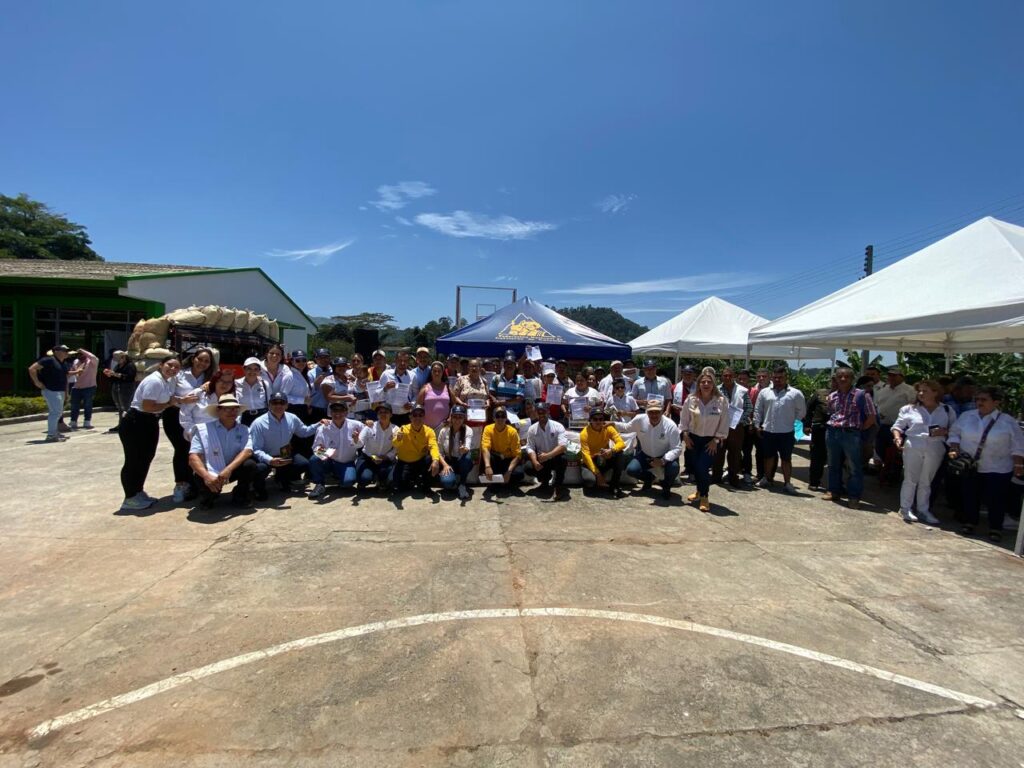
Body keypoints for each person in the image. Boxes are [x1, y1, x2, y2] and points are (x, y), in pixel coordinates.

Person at [118, 357, 196, 511]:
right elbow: (147, 406)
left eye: (176, 367)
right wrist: (169, 404)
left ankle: (138, 492)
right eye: (169, 365)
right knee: (134, 460)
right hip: (137, 421)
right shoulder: (154, 381)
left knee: (145, 458)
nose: (173, 369)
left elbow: (170, 399)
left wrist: (182, 400)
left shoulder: (167, 381)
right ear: (161, 365)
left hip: (150, 421)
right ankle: (130, 497)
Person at [948, 386, 1024, 542]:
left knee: (996, 498)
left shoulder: (1008, 421)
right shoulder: (967, 416)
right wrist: (954, 448)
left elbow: (1018, 444)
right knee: (970, 495)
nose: (979, 402)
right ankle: (970, 522)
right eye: (977, 399)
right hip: (970, 465)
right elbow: (954, 432)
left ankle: (995, 527)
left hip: (998, 466)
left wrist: (1018, 465)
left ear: (996, 402)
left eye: (984, 399)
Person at [891, 380, 955, 525]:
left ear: (935, 392)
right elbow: (897, 426)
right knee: (910, 478)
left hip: (935, 446)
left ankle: (923, 509)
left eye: (925, 391)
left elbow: (955, 430)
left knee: (926, 480)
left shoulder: (946, 410)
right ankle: (905, 508)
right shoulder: (909, 409)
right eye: (919, 390)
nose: (920, 393)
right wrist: (897, 437)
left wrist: (944, 432)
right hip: (914, 444)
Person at [188, 394, 268, 509]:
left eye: (235, 408)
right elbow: (193, 457)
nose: (232, 412)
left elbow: (247, 451)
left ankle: (240, 495)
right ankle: (209, 496)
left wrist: (228, 470)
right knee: (203, 482)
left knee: (250, 465)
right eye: (227, 408)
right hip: (210, 471)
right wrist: (207, 476)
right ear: (218, 410)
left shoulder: (244, 429)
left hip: (232, 469)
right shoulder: (203, 429)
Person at [824, 367, 877, 509]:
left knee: (854, 466)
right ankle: (834, 491)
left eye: (846, 376)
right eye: (840, 376)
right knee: (833, 464)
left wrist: (858, 429)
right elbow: (831, 413)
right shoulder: (833, 396)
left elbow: (871, 417)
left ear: (852, 379)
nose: (843, 379)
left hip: (851, 433)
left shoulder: (862, 395)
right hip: (833, 432)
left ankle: (854, 497)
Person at [168, 348, 216, 503]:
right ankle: (181, 484)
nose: (202, 363)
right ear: (193, 358)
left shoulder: (209, 379)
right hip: (175, 416)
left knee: (196, 451)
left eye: (206, 361)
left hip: (197, 419)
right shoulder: (179, 375)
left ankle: (195, 484)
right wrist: (182, 400)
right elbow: (167, 396)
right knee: (182, 449)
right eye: (200, 359)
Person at [249, 391, 320, 494]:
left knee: (303, 464)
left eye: (282, 403)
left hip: (284, 453)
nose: (278, 406)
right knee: (261, 469)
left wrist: (319, 424)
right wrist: (270, 460)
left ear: (287, 405)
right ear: (269, 405)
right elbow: (256, 449)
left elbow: (304, 432)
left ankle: (281, 478)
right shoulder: (258, 423)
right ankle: (257, 486)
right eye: (275, 403)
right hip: (266, 455)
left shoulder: (292, 418)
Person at [679, 372, 730, 512]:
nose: (706, 384)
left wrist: (716, 440)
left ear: (713, 384)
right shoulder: (691, 399)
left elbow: (724, 423)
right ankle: (699, 491)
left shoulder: (721, 401)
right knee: (696, 468)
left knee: (703, 467)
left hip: (711, 441)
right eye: (703, 382)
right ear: (699, 384)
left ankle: (704, 496)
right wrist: (685, 435)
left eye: (709, 382)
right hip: (693, 439)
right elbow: (684, 419)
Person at [753, 366, 807, 494]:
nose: (777, 380)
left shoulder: (795, 393)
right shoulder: (765, 392)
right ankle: (767, 478)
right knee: (768, 457)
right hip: (768, 430)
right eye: (775, 377)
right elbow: (758, 410)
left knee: (786, 459)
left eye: (780, 377)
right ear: (772, 378)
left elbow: (801, 411)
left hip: (787, 432)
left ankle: (787, 483)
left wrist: (793, 424)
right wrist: (757, 425)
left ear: (786, 377)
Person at [621, 401, 682, 500]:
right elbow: (626, 427)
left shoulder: (670, 425)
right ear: (646, 412)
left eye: (657, 412)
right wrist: (612, 424)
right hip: (646, 454)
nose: (654, 415)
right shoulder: (639, 419)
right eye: (651, 412)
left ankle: (666, 486)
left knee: (673, 468)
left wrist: (663, 460)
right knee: (631, 470)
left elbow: (677, 448)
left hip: (664, 455)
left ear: (662, 411)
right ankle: (649, 478)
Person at [308, 402, 363, 499]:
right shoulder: (323, 427)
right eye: (334, 410)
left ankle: (334, 477)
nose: (337, 413)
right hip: (330, 460)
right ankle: (319, 484)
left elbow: (369, 435)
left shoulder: (356, 425)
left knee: (348, 482)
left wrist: (369, 423)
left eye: (341, 410)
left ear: (346, 412)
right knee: (314, 459)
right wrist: (325, 453)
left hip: (347, 463)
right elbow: (315, 447)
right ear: (330, 413)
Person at [873, 368, 917, 483]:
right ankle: (887, 468)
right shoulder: (883, 390)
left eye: (894, 375)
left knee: (896, 452)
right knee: (879, 448)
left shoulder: (909, 390)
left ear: (901, 377)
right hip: (883, 425)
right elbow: (878, 404)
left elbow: (914, 407)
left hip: (901, 428)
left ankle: (894, 474)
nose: (891, 378)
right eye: (890, 375)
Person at [712, 367, 752, 488]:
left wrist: (740, 421)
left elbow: (749, 408)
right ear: (721, 377)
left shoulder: (742, 390)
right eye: (725, 375)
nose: (727, 378)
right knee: (718, 452)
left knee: (735, 454)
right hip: (719, 426)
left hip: (737, 428)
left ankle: (733, 478)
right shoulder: (716, 390)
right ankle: (716, 477)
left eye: (730, 375)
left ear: (734, 377)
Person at [391, 402, 441, 492]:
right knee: (398, 485)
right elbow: (395, 444)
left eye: (420, 415)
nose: (418, 418)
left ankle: (426, 486)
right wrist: (398, 439)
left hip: (419, 461)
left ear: (424, 417)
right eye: (415, 415)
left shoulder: (429, 431)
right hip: (404, 462)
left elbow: (433, 446)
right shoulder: (403, 429)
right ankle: (414, 479)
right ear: (410, 417)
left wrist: (436, 460)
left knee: (430, 459)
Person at [179, 368, 236, 445]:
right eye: (221, 381)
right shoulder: (199, 393)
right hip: (196, 434)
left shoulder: (232, 398)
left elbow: (235, 417)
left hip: (220, 437)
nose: (225, 384)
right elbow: (185, 413)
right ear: (215, 381)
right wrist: (192, 430)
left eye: (229, 382)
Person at [525, 402, 569, 499]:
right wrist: (535, 461)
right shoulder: (532, 429)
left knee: (563, 458)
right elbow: (530, 447)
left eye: (543, 412)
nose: (541, 415)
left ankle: (558, 486)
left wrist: (548, 455)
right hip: (542, 458)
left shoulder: (558, 426)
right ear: (535, 413)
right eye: (539, 412)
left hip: (555, 457)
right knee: (528, 466)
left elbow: (563, 446)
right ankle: (544, 482)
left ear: (548, 412)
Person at [28, 344, 71, 442]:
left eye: (67, 351)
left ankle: (54, 432)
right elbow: (32, 368)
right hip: (51, 390)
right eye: (64, 351)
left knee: (58, 413)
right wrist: (37, 382)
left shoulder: (63, 363)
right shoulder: (48, 360)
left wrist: (66, 392)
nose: (67, 353)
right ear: (56, 351)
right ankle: (51, 435)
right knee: (55, 413)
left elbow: (65, 378)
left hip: (60, 391)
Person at [579, 407, 626, 496]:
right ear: (590, 420)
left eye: (601, 419)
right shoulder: (584, 434)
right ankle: (598, 480)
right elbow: (586, 456)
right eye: (595, 419)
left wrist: (611, 450)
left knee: (620, 454)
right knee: (590, 481)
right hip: (591, 461)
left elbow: (621, 443)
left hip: (604, 458)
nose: (598, 421)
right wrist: (598, 474)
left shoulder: (609, 428)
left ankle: (614, 485)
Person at [802, 376, 836, 491]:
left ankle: (837, 484)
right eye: (834, 381)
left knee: (837, 458)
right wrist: (807, 425)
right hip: (820, 428)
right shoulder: (820, 393)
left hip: (837, 429)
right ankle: (814, 481)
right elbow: (808, 408)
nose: (835, 383)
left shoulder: (846, 395)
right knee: (817, 456)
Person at [355, 402, 398, 490]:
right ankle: (372, 477)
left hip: (384, 459)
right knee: (364, 478)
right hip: (368, 458)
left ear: (391, 414)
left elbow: (396, 448)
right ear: (377, 415)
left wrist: (386, 457)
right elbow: (360, 443)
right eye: (380, 412)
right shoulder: (369, 427)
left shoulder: (396, 429)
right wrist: (355, 439)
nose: (383, 414)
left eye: (386, 412)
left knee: (390, 477)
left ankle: (380, 479)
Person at [481, 406, 525, 487]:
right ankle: (497, 480)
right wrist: (487, 466)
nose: (500, 419)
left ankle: (500, 479)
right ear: (493, 418)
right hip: (495, 459)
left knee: (519, 474)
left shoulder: (513, 432)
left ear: (506, 418)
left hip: (508, 460)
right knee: (488, 457)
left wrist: (509, 472)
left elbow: (517, 455)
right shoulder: (488, 429)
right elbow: (485, 448)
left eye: (503, 416)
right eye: (497, 416)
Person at [437, 405, 474, 499]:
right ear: (451, 417)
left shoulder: (468, 430)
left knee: (468, 458)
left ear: (464, 418)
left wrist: (464, 449)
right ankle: (454, 479)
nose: (457, 419)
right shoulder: (443, 431)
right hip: (449, 460)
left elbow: (467, 446)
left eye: (460, 417)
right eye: (455, 416)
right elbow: (439, 452)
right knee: (447, 483)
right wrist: (445, 465)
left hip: (461, 459)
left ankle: (462, 484)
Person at [103, 350, 138, 433]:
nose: (117, 360)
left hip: (126, 388)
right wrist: (110, 374)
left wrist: (115, 374)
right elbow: (115, 376)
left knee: (126, 406)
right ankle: (121, 424)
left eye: (118, 358)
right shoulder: (118, 366)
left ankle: (129, 424)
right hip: (117, 387)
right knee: (119, 407)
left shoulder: (130, 365)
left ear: (123, 357)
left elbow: (129, 377)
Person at [378, 350, 414, 426]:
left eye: (405, 361)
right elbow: (377, 395)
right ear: (395, 361)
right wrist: (385, 388)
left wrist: (412, 404)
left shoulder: (413, 376)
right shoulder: (386, 374)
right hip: (390, 416)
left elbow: (416, 394)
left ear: (408, 362)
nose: (402, 363)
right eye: (400, 360)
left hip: (407, 415)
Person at [68, 348, 99, 429]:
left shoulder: (92, 361)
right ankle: (73, 421)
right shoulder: (76, 361)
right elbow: (72, 372)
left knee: (87, 405)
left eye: (81, 354)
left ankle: (87, 421)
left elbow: (93, 357)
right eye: (78, 355)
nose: (79, 356)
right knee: (74, 405)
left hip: (89, 386)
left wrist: (82, 350)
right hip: (76, 386)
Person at [417, 361, 452, 431]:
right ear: (431, 372)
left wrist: (450, 417)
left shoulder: (448, 387)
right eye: (434, 371)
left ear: (442, 373)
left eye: (439, 371)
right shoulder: (425, 387)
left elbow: (454, 404)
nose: (437, 373)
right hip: (426, 427)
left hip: (444, 426)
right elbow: (418, 406)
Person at [235, 357, 269, 426]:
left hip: (262, 417)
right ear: (244, 369)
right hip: (243, 418)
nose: (252, 372)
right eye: (249, 368)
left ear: (259, 371)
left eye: (256, 369)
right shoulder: (236, 384)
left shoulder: (265, 384)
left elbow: (269, 403)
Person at [307, 348, 334, 422]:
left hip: (332, 408)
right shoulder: (311, 373)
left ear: (330, 358)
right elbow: (307, 393)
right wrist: (315, 384)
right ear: (316, 359)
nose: (323, 360)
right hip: (316, 409)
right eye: (320, 357)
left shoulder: (334, 371)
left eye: (325, 357)